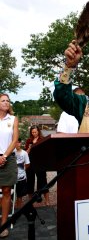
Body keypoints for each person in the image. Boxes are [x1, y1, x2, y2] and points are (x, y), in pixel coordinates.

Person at [0, 93, 18, 238]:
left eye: (8, 101)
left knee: (6, 191)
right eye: (3, 100)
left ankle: (3, 224)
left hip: (8, 159)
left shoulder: (13, 119)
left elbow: (15, 140)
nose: (6, 102)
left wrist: (4, 156)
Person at [25, 125, 50, 206]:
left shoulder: (43, 139)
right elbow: (26, 153)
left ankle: (47, 200)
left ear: (38, 131)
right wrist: (30, 147)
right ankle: (30, 201)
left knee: (43, 180)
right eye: (32, 132)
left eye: (35, 132)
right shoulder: (29, 140)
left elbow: (46, 151)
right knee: (30, 181)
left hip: (40, 163)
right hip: (30, 162)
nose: (34, 134)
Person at [15, 138, 30, 208]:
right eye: (15, 142)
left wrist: (22, 169)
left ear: (20, 143)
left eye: (18, 142)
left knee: (19, 195)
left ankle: (18, 209)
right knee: (8, 194)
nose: (17, 144)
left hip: (21, 177)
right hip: (11, 177)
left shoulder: (24, 153)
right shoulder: (11, 152)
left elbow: (27, 164)